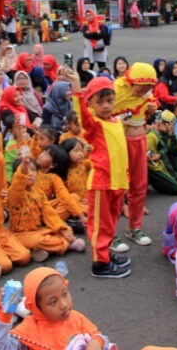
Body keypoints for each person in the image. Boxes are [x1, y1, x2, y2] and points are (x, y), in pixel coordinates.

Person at [69, 75, 132, 278]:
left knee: (111, 221)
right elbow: (83, 117)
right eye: (100, 102)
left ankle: (105, 253)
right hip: (101, 182)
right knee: (100, 224)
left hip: (116, 182)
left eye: (109, 101)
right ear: (91, 104)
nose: (106, 106)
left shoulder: (116, 121)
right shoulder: (94, 124)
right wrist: (78, 90)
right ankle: (100, 263)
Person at [0, 267, 116, 348]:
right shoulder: (29, 330)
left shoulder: (75, 317)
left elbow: (98, 336)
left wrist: (95, 343)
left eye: (65, 294)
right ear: (36, 308)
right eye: (53, 302)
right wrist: (6, 314)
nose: (64, 304)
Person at [113, 62, 159, 251]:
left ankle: (134, 227)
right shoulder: (115, 90)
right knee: (116, 188)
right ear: (131, 82)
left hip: (140, 141)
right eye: (141, 88)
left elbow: (152, 101)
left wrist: (152, 107)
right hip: (119, 143)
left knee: (139, 186)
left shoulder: (146, 92)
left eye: (149, 88)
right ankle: (110, 234)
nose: (144, 92)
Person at [146, 110, 177, 195]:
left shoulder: (165, 134)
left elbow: (175, 152)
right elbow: (151, 158)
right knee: (175, 188)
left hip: (160, 165)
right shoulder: (151, 136)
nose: (168, 126)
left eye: (170, 124)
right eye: (165, 123)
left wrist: (172, 135)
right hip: (152, 168)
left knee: (174, 155)